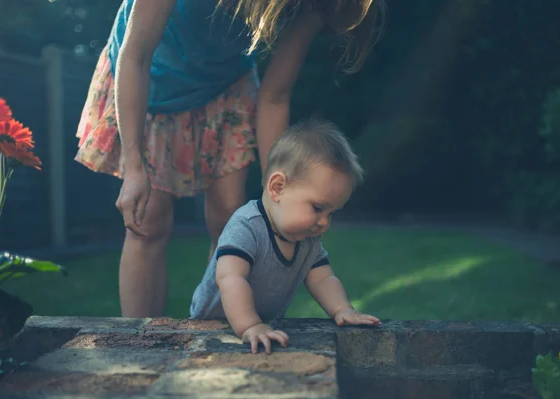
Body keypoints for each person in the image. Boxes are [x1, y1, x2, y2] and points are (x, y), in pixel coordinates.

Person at [74, 0, 385, 318]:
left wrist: (278, 195)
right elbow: (136, 56)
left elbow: (274, 96)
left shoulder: (309, 5)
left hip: (226, 83)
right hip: (148, 80)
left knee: (228, 213)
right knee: (147, 218)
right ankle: (138, 345)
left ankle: (223, 332)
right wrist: (134, 167)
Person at [190, 119, 381, 354]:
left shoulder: (306, 238)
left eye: (331, 214)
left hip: (262, 328)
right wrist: (250, 324)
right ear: (278, 188)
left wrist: (342, 309)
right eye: (318, 208)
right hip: (212, 326)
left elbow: (323, 279)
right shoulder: (246, 225)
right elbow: (231, 278)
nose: (324, 222)